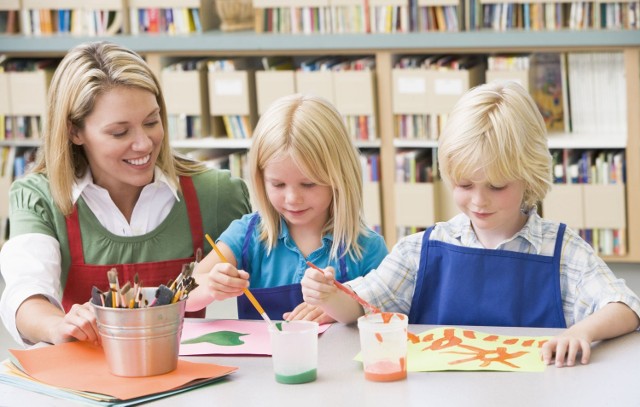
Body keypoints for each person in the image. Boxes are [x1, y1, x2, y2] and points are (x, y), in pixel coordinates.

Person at [301, 81, 640, 367]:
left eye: (496, 186)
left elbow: (626, 307)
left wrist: (582, 331)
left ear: (529, 176)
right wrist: (329, 295)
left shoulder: (562, 251)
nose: (479, 201)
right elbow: (361, 306)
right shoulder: (422, 250)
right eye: (464, 186)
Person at [0, 41, 251, 347]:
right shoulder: (40, 198)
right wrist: (58, 326)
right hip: (86, 385)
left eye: (151, 122)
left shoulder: (216, 193)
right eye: (120, 132)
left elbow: (280, 260)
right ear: (74, 131)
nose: (144, 144)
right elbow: (26, 294)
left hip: (186, 380)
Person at [187, 93, 388, 322]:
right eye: (278, 184)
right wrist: (209, 286)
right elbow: (182, 295)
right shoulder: (247, 235)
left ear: (339, 178)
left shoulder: (367, 248)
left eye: (308, 184)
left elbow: (390, 315)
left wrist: (341, 307)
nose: (292, 198)